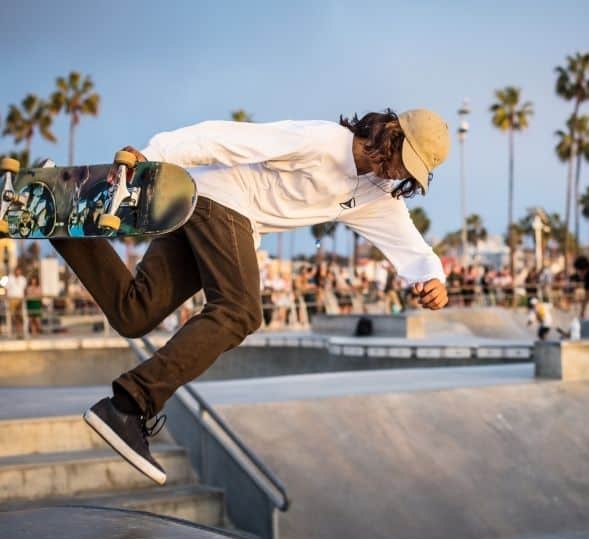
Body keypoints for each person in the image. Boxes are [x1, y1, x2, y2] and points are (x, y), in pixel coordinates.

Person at [52, 108, 451, 485]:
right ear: (391, 134)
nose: (397, 173)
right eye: (402, 160)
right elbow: (230, 138)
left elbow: (407, 239)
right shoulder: (324, 141)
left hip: (204, 215)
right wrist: (157, 156)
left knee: (134, 312)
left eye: (409, 172)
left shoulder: (377, 194)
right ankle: (128, 407)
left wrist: (432, 277)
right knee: (240, 312)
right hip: (219, 200)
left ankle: (57, 214)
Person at [6, 267, 27, 338]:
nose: (18, 272)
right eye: (17, 271)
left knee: (20, 317)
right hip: (11, 299)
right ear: (15, 271)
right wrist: (7, 299)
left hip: (20, 299)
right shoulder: (10, 278)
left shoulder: (23, 279)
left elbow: (24, 290)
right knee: (12, 317)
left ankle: (20, 332)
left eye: (19, 271)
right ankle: (12, 332)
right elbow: (6, 289)